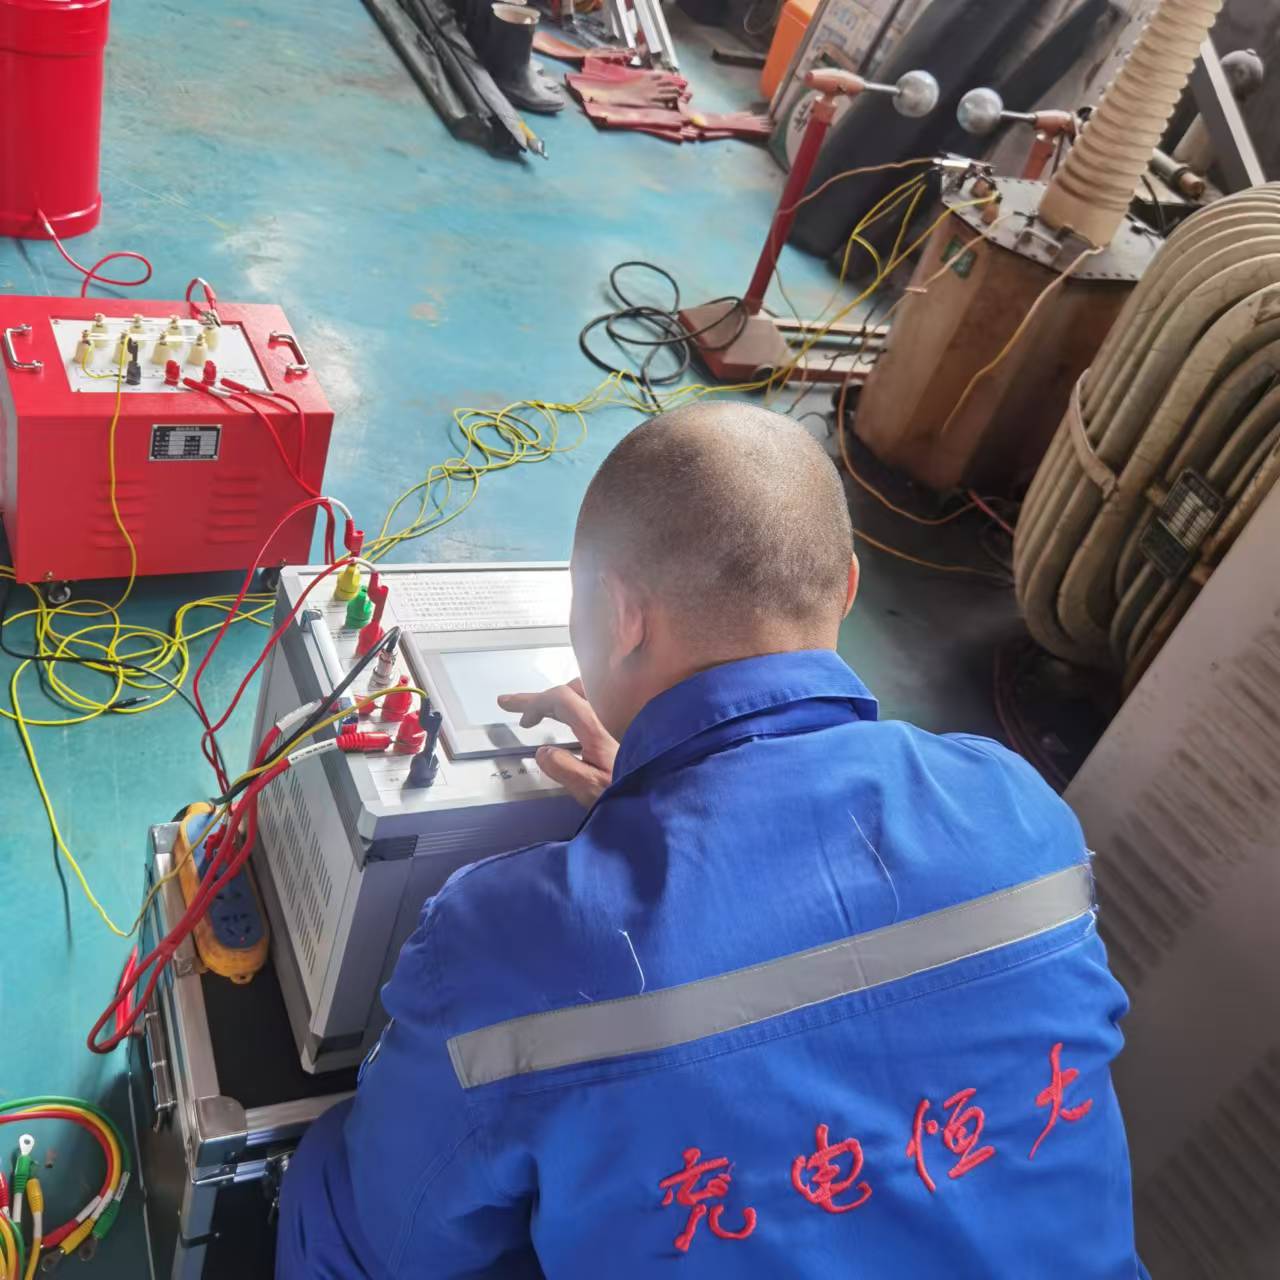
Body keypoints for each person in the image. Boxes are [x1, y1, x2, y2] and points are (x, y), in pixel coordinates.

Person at [277, 403, 1144, 1278]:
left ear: (620, 614)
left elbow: (377, 1239)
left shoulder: (507, 945)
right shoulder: (1019, 810)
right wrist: (659, 797)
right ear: (847, 588)